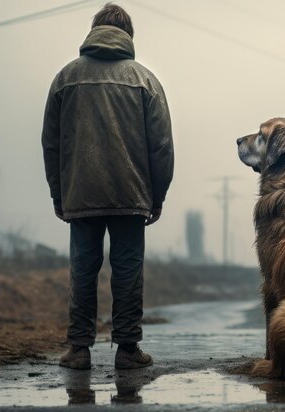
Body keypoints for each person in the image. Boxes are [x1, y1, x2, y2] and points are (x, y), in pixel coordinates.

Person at [41, 3, 174, 370]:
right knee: (128, 269)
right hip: (131, 195)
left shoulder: (65, 79)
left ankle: (79, 350)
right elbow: (161, 146)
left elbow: (51, 144)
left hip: (81, 192)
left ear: (94, 30)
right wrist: (156, 196)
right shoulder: (145, 80)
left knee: (83, 268)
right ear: (128, 35)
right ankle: (128, 350)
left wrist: (59, 193)